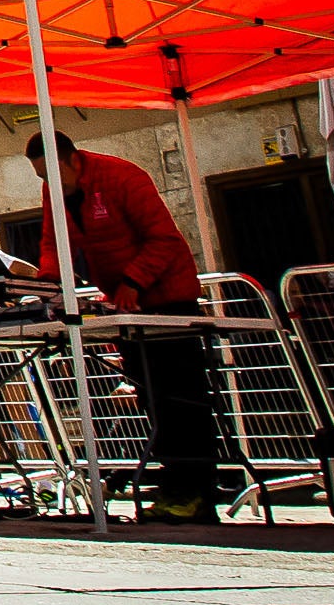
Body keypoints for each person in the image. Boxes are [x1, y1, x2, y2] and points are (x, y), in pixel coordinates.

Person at [25, 132, 217, 522]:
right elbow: (53, 241)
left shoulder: (124, 177)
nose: (49, 184)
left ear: (73, 161)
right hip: (127, 307)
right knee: (152, 398)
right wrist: (46, 283)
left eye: (52, 174)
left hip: (168, 301)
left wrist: (133, 281)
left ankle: (198, 491)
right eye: (41, 177)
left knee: (181, 397)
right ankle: (174, 484)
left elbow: (163, 239)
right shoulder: (55, 190)